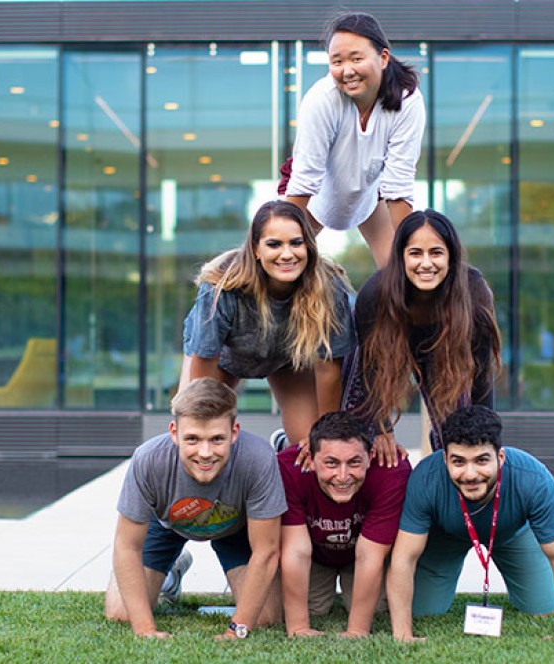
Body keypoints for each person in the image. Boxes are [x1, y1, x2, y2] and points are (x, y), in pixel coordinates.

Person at [103, 378, 286, 640]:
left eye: (216, 439)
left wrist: (237, 630)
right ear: (174, 432)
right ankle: (171, 573)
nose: (205, 452)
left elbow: (266, 551)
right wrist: (146, 630)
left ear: (234, 432)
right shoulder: (148, 459)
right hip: (168, 523)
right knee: (121, 613)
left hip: (234, 526)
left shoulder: (258, 458)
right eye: (192, 439)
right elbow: (126, 546)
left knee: (267, 617)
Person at [386, 405, 554, 643]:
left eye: (481, 460)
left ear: (500, 457)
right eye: (458, 462)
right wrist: (403, 634)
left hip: (511, 533)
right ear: (445, 458)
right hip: (446, 536)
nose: (470, 474)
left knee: (542, 609)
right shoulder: (426, 479)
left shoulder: (533, 478)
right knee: (424, 612)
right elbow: (404, 558)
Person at [180, 199, 354, 448]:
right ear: (256, 250)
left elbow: (328, 369)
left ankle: (283, 444)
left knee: (310, 446)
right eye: (274, 244)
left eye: (296, 243)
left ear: (309, 246)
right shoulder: (221, 288)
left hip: (285, 359)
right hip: (224, 358)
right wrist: (201, 421)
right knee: (201, 432)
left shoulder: (328, 287)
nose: (287, 254)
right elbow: (204, 371)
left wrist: (326, 437)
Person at [344, 209, 502, 461]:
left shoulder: (474, 292)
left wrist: (489, 440)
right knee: (359, 435)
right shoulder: (375, 294)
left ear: (451, 256)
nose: (426, 263)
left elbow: (481, 374)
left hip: (442, 347)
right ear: (401, 257)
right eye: (415, 253)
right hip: (380, 352)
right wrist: (382, 430)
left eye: (436, 253)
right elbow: (370, 370)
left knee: (455, 440)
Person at [280, 11, 426, 268]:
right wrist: (280, 243)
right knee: (274, 265)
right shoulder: (321, 99)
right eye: (337, 61)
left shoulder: (408, 100)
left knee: (402, 271)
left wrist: (413, 257)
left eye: (356, 59)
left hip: (369, 197)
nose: (347, 71)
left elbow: (399, 185)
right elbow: (304, 180)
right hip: (314, 197)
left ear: (383, 57)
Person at [277, 411, 412, 638]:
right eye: (331, 463)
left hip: (361, 551)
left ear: (369, 457)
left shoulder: (391, 470)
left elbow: (370, 555)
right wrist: (298, 627)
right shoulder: (289, 468)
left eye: (354, 463)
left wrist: (357, 630)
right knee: (312, 609)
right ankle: (282, 441)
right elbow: (296, 551)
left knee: (378, 610)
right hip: (315, 553)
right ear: (310, 458)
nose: (342, 476)